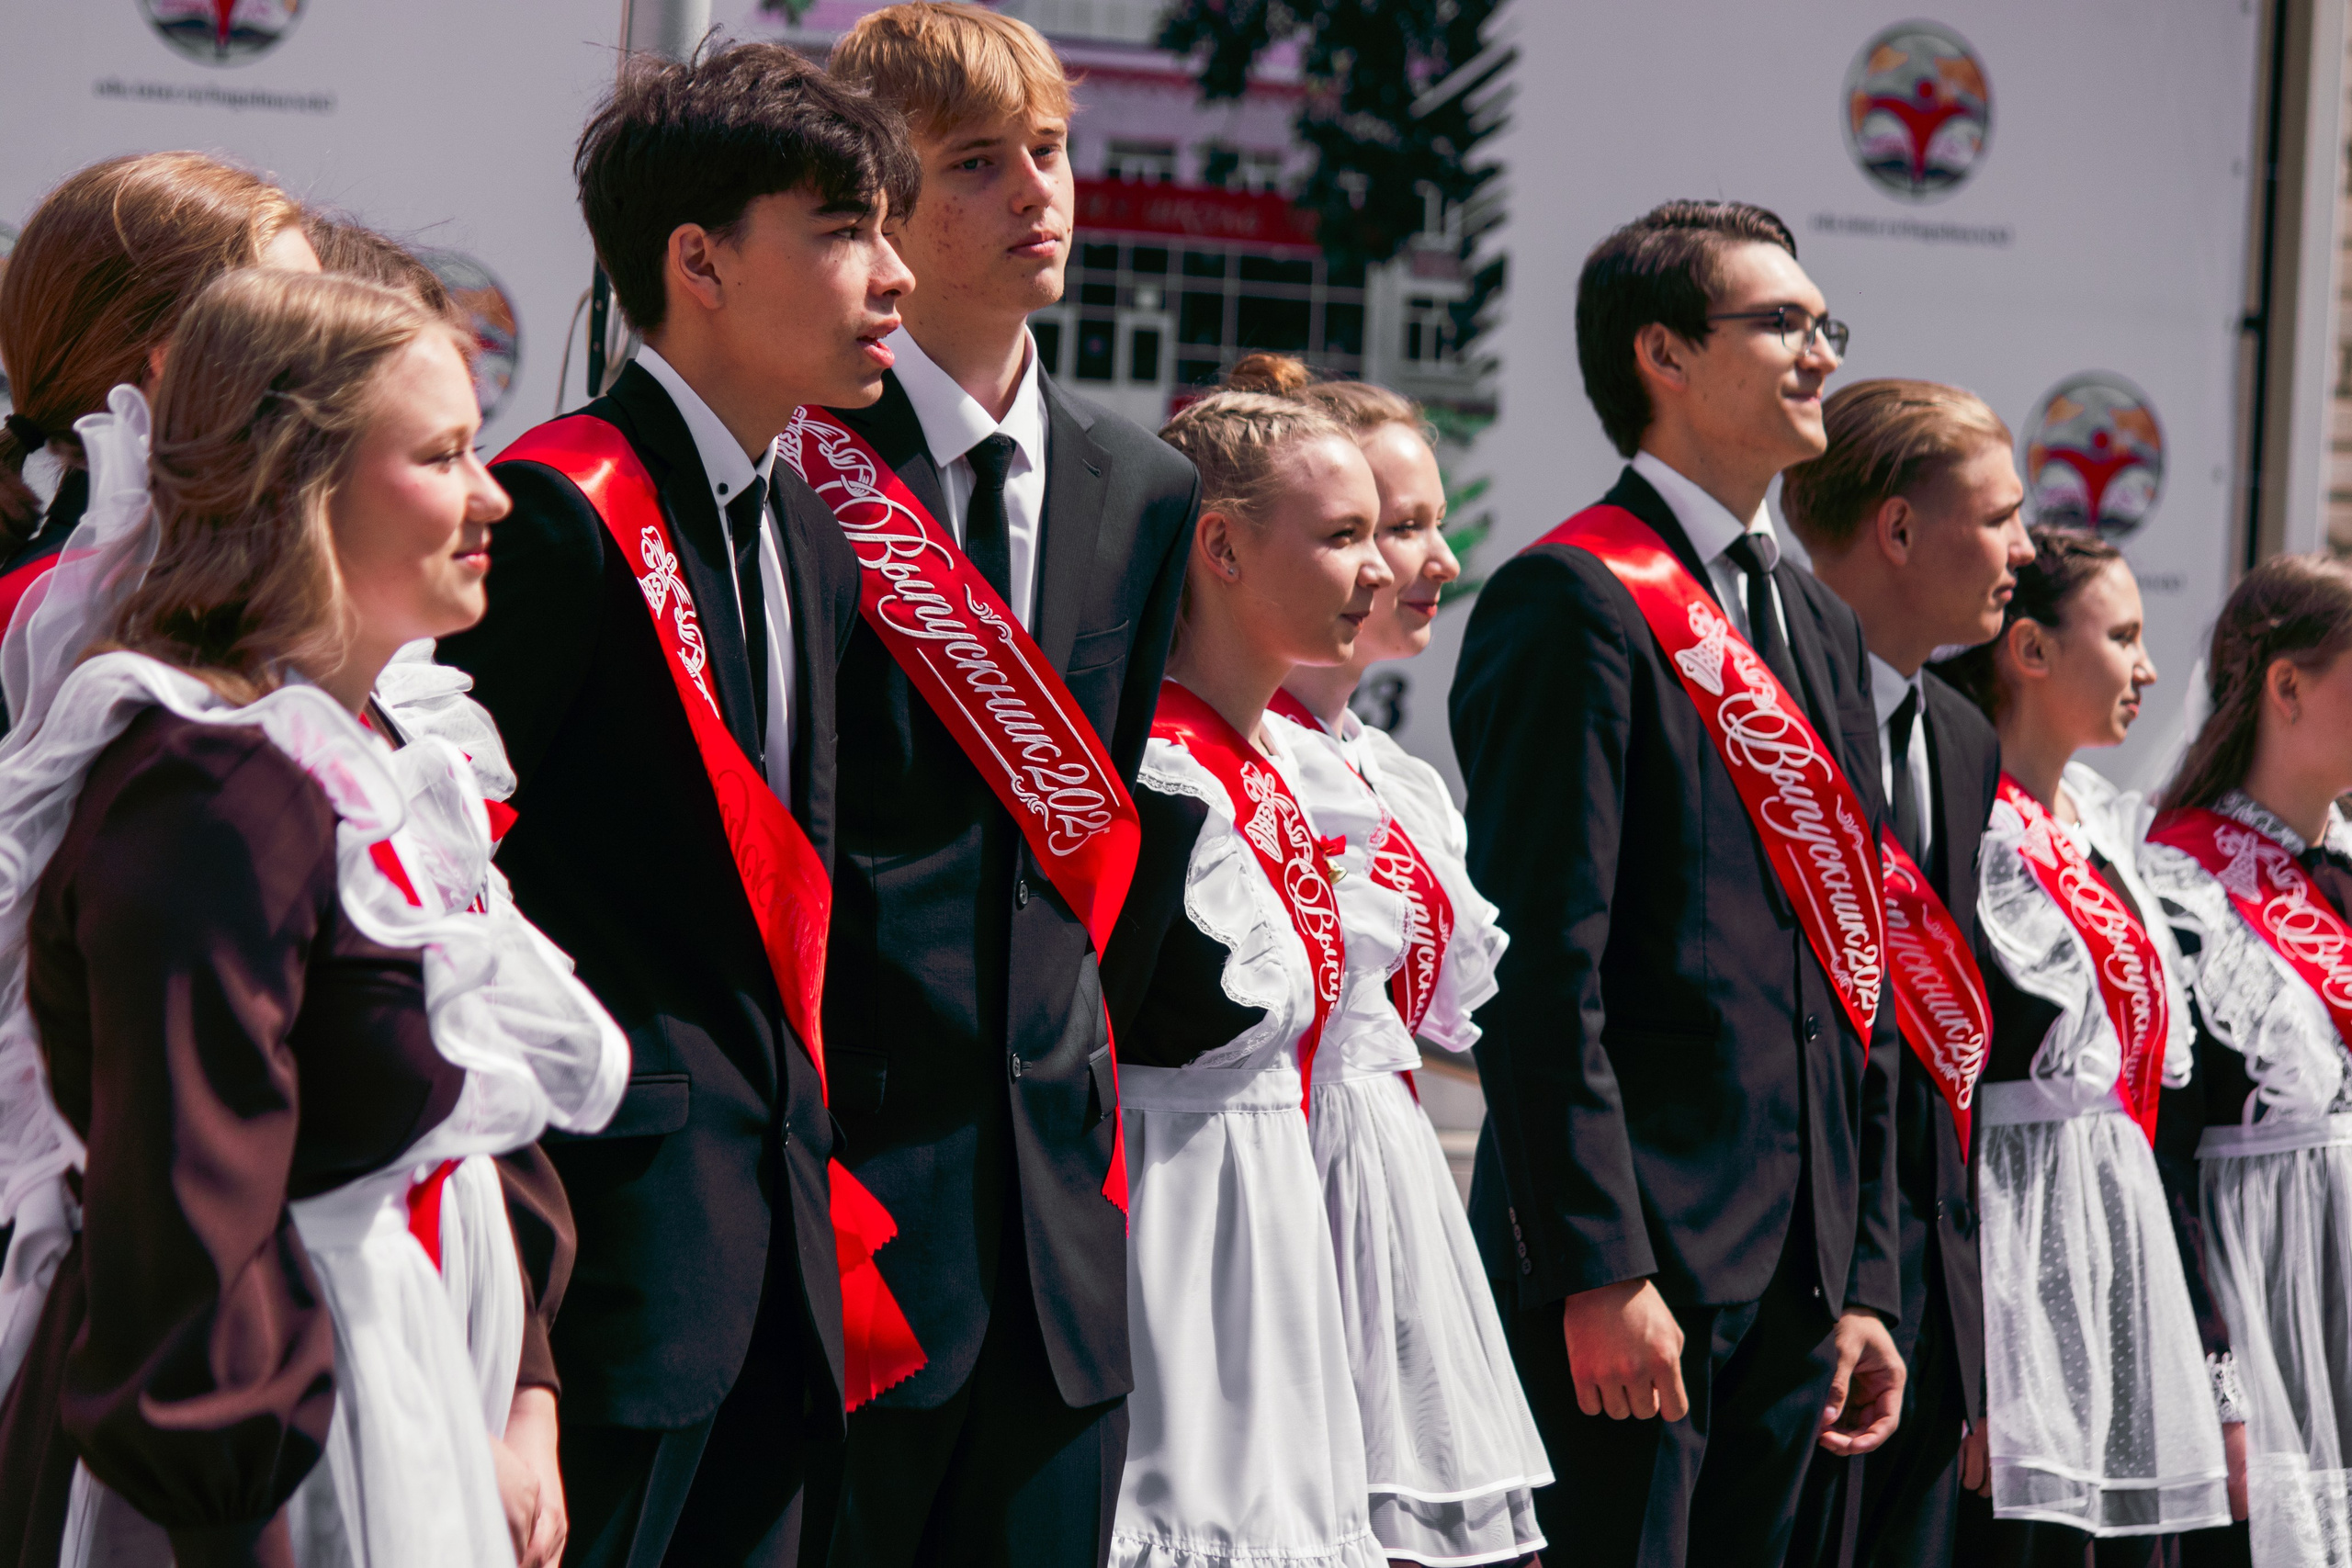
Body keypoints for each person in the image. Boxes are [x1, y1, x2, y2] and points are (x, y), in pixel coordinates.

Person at [0, 267, 624, 1566]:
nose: (493, 494)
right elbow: (185, 1230)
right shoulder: (218, 795)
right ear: (300, 485)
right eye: (442, 456)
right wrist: (249, 1494)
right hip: (270, 1463)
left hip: (381, 1387)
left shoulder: (336, 758)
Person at [434, 43, 916, 1568]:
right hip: (604, 1263)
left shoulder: (817, 533)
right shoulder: (554, 509)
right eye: (841, 231)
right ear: (696, 261)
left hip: (778, 1260)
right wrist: (518, 1320)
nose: (893, 276)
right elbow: (453, 901)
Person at [1449, 199, 1906, 1567]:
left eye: (1826, 324)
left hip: (1799, 1280)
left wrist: (1865, 1274)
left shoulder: (1819, 622)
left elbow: (1855, 960)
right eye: (1782, 323)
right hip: (1639, 1267)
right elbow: (1543, 965)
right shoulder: (1570, 598)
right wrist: (1596, 1263)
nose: (1822, 353)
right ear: (1664, 353)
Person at [801, 8, 1201, 1562]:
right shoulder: (798, 466)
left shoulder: (1142, 484)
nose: (1039, 189)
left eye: (1049, 150)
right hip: (847, 1218)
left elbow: (1096, 846)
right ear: (878, 207)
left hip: (1057, 1250)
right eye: (977, 162)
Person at [1227, 354, 1549, 1566]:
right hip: (1275, 1181)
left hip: (1389, 1181)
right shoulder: (1230, 757)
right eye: (1393, 527)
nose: (1435, 561)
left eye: (1425, 524)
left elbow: (1446, 1029)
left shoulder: (1389, 774)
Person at [1099, 387, 1393, 1568]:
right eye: (1341, 536)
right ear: (1218, 547)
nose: (1379, 570)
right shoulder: (1156, 779)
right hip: (1168, 1253)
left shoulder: (1282, 769)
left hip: (1272, 1252)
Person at [1933, 528, 2231, 1562]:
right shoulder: (1966, 826)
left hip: (2112, 1248)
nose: (2146, 669)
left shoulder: (2101, 825)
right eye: (2122, 637)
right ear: (2030, 649)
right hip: (2009, 1259)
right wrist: (1970, 1358)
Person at [1777, 379, 2030, 1567]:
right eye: (2001, 517)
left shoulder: (1964, 736)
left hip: (1924, 1297)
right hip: (1787, 1284)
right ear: (1896, 528)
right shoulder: (1765, 711)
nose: (2025, 550)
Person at [2139, 555, 2352, 1567]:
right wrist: (2216, 1383)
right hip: (2260, 1347)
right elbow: (2163, 1161)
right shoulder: (2173, 885)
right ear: (2286, 685)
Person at [0, 153, 318, 727]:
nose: (344, 354)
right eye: (303, 322)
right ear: (179, 357)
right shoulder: (56, 610)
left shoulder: (258, 582)